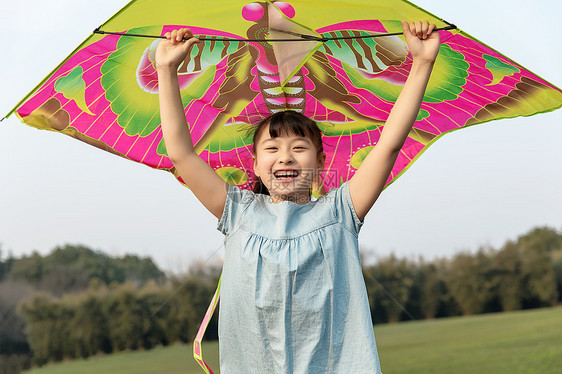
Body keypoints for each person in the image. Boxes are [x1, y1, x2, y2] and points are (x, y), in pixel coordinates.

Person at [156, 20, 440, 373]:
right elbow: (182, 154)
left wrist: (422, 63)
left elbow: (389, 145)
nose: (286, 156)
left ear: (321, 161)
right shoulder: (237, 211)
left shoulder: (341, 211)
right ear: (256, 165)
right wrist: (166, 70)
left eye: (299, 147)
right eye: (272, 147)